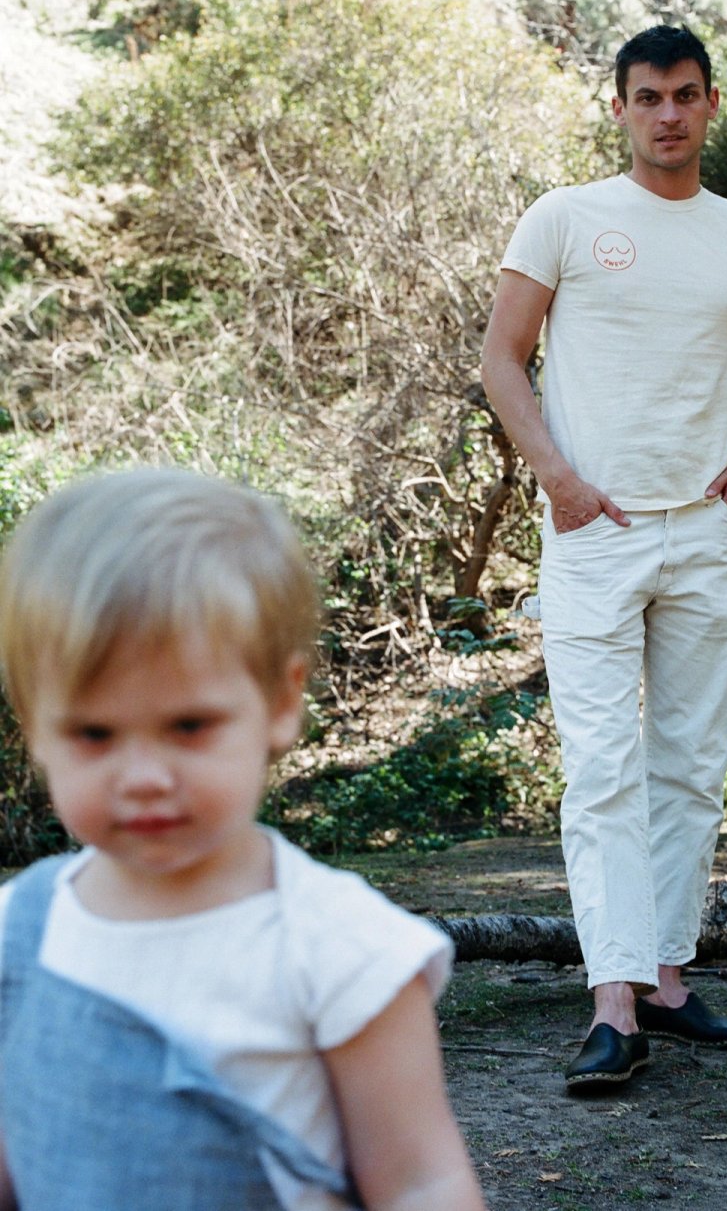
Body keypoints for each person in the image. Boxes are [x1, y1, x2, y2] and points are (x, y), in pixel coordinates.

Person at [0, 467, 487, 1210]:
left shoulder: (338, 947)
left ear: (280, 703)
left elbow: (420, 1181)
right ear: (37, 731)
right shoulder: (18, 929)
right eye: (94, 733)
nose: (144, 776)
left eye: (188, 726)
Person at [481, 25, 727, 1089]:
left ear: (711, 105)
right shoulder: (567, 218)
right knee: (604, 768)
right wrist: (560, 481)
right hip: (594, 533)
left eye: (684, 94)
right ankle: (612, 1002)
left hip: (704, 532)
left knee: (689, 762)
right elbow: (501, 356)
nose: (667, 112)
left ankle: (667, 979)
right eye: (647, 96)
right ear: (618, 108)